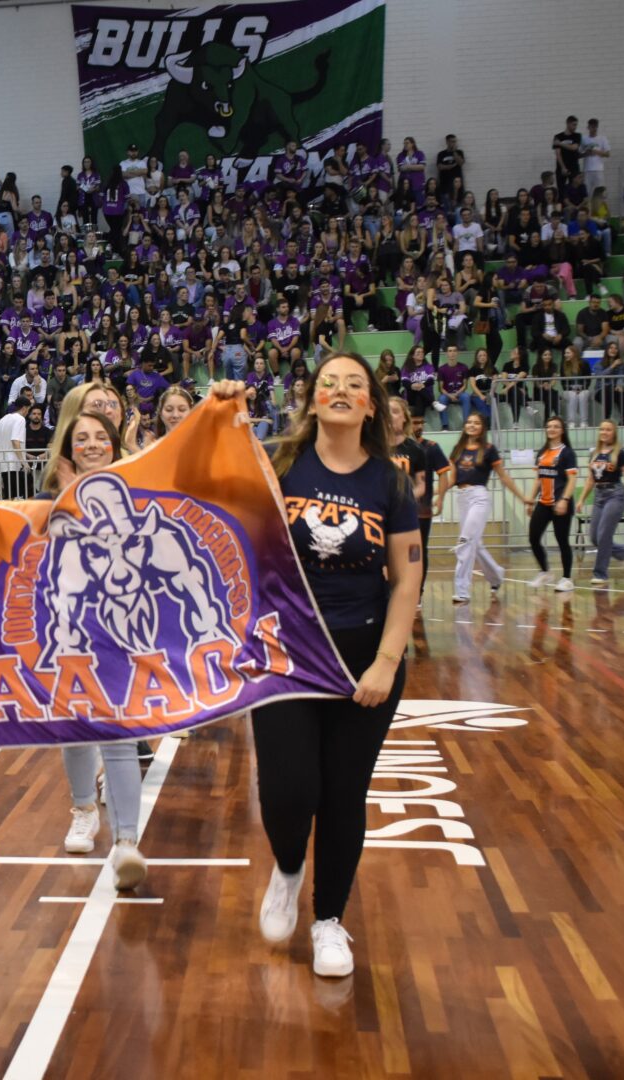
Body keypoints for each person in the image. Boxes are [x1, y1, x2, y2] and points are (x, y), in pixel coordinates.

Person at [208, 352, 418, 978]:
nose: (341, 390)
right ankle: (288, 866)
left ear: (371, 405)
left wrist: (386, 662)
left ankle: (329, 921)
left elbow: (407, 579)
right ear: (312, 399)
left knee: (344, 793)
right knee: (288, 790)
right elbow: (216, 484)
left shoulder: (391, 483)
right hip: (286, 655)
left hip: (363, 661)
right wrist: (222, 412)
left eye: (355, 383)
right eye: (330, 382)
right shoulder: (281, 465)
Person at [33, 408, 147, 886]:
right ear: (68, 449)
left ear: (115, 445)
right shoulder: (48, 498)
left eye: (102, 437)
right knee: (75, 728)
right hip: (69, 631)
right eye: (82, 438)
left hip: (121, 629)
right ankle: (84, 810)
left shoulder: (137, 490)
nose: (93, 444)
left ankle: (126, 842)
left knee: (119, 733)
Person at [435, 412, 530, 603]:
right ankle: (496, 576)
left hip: (479, 497)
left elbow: (503, 477)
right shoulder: (457, 449)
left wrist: (523, 498)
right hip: (462, 498)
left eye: (476, 423)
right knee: (475, 544)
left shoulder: (488, 449)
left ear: (482, 427)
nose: (472, 425)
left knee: (465, 542)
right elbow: (452, 480)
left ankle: (462, 590)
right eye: (469, 422)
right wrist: (436, 495)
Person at [578, 420, 624, 586]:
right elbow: (590, 480)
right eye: (602, 429)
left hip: (616, 495)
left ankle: (600, 574)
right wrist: (581, 499)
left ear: (614, 433)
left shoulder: (620, 453)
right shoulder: (594, 453)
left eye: (608, 429)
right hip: (599, 495)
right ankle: (622, 552)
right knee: (595, 537)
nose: (604, 432)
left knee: (604, 535)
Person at [525, 416, 577, 592]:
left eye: (556, 426)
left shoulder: (567, 453)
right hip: (543, 503)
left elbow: (572, 480)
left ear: (562, 430)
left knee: (562, 541)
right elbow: (538, 479)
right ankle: (545, 571)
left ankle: (567, 578)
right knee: (533, 538)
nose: (552, 429)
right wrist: (531, 500)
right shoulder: (542, 452)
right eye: (549, 426)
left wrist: (565, 500)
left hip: (560, 503)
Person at [406, 408, 449, 602]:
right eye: (415, 422)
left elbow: (443, 473)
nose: (419, 426)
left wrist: (440, 498)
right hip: (396, 507)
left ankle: (418, 591)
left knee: (419, 549)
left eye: (421, 422)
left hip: (421, 509)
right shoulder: (395, 446)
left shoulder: (431, 447)